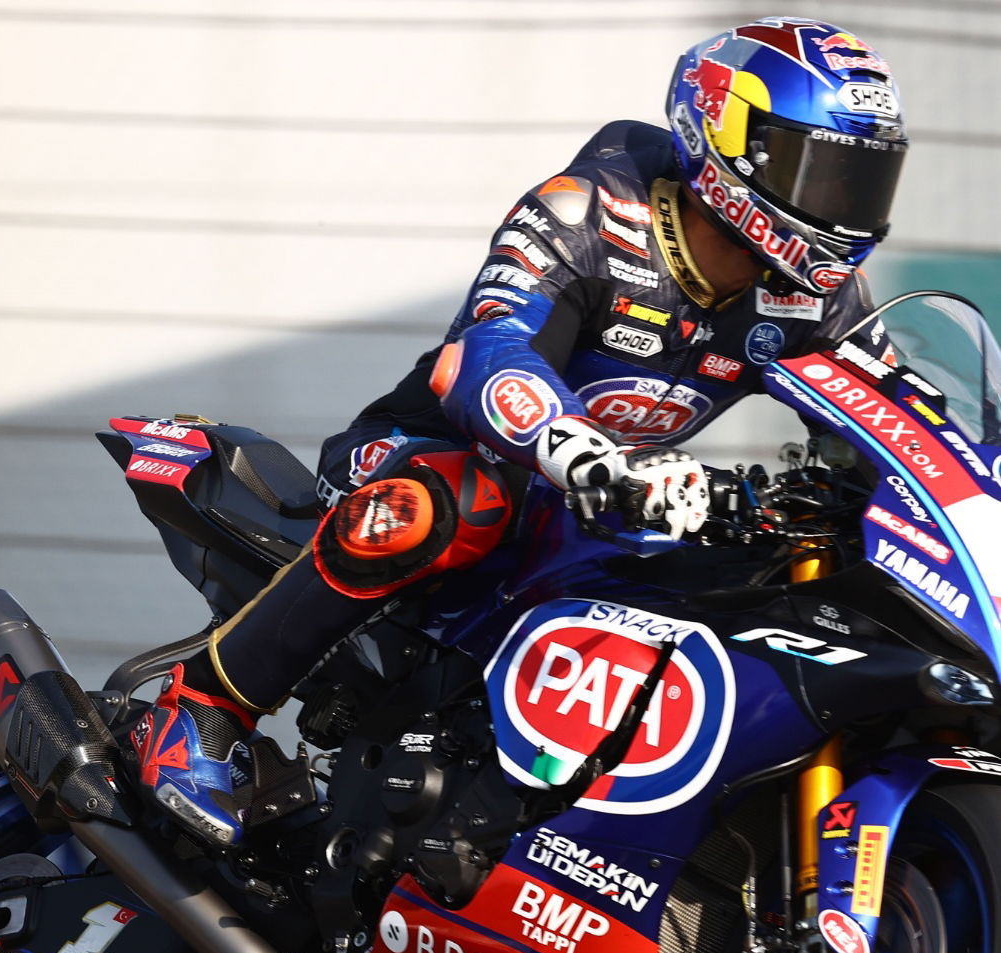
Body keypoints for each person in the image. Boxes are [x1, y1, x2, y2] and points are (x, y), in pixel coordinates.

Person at [133, 16, 909, 846]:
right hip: (421, 455)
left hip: (593, 511)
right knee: (457, 502)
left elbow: (890, 416)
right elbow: (487, 351)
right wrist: (586, 453)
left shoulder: (819, 294)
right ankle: (200, 710)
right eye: (823, 173)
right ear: (725, 140)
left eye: (863, 182)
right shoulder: (588, 211)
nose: (844, 207)